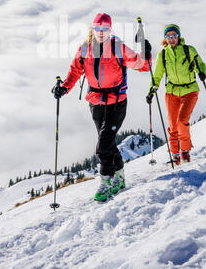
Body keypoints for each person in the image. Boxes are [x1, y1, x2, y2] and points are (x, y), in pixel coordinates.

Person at [52, 13, 151, 202]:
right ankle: (120, 178)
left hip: (117, 102)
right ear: (93, 29)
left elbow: (141, 65)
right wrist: (63, 88)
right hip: (96, 102)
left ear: (110, 30)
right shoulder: (85, 49)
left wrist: (146, 53)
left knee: (103, 146)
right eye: (98, 28)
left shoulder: (117, 47)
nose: (101, 32)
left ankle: (106, 183)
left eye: (105, 29)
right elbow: (75, 71)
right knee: (109, 143)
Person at [146, 24, 206, 165]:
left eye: (174, 36)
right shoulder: (163, 54)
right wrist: (151, 91)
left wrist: (202, 72)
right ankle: (175, 155)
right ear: (165, 38)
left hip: (190, 90)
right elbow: (158, 74)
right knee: (173, 126)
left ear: (178, 36)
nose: (171, 39)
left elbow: (200, 64)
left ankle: (185, 152)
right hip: (172, 92)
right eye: (168, 36)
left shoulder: (188, 50)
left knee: (181, 122)